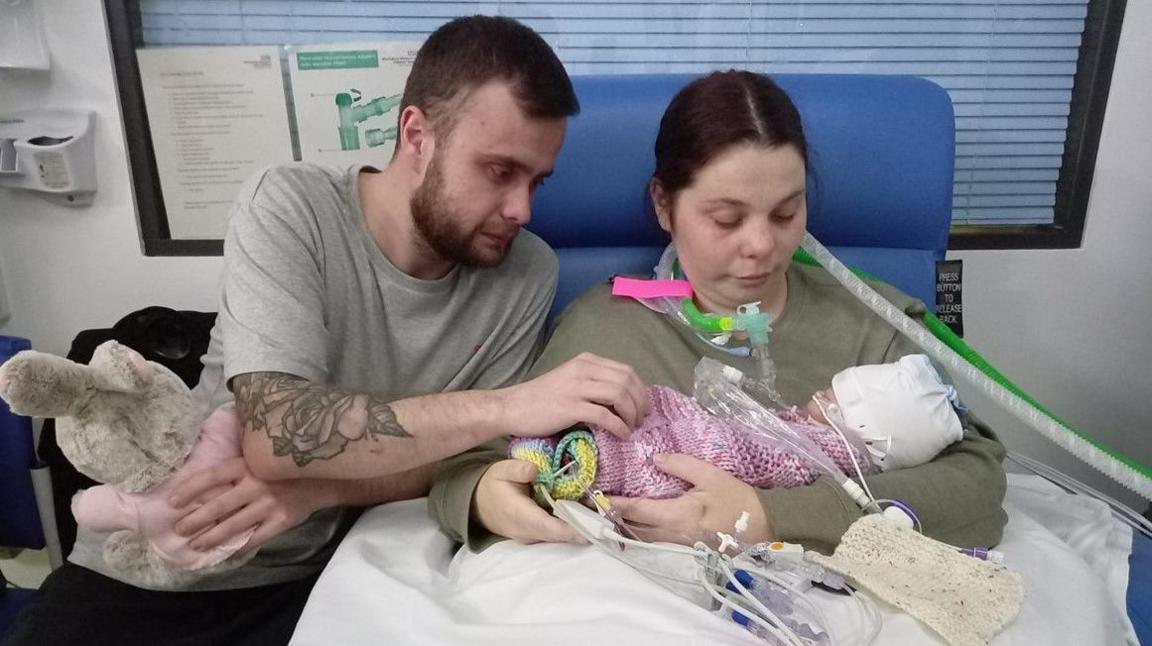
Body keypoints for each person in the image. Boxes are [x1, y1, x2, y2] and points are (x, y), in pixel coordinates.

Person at [3, 16, 649, 646]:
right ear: (417, 136)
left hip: (317, 581)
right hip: (150, 572)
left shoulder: (526, 272)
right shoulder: (289, 207)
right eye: (499, 172)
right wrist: (506, 406)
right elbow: (278, 437)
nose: (522, 209)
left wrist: (319, 490)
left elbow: (469, 459)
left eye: (537, 181)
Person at [430, 70, 1008, 555]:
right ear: (664, 205)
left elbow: (978, 485)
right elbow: (472, 462)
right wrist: (485, 497)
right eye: (727, 219)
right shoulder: (605, 323)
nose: (760, 246)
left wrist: (771, 517)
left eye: (785, 214)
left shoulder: (870, 319)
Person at [509, 353, 966, 502]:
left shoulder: (821, 455)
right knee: (656, 405)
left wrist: (707, 433)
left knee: (653, 455)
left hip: (700, 458)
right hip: (701, 429)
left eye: (835, 400)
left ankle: (580, 459)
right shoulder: (803, 429)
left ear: (861, 433)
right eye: (726, 218)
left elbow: (746, 456)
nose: (822, 395)